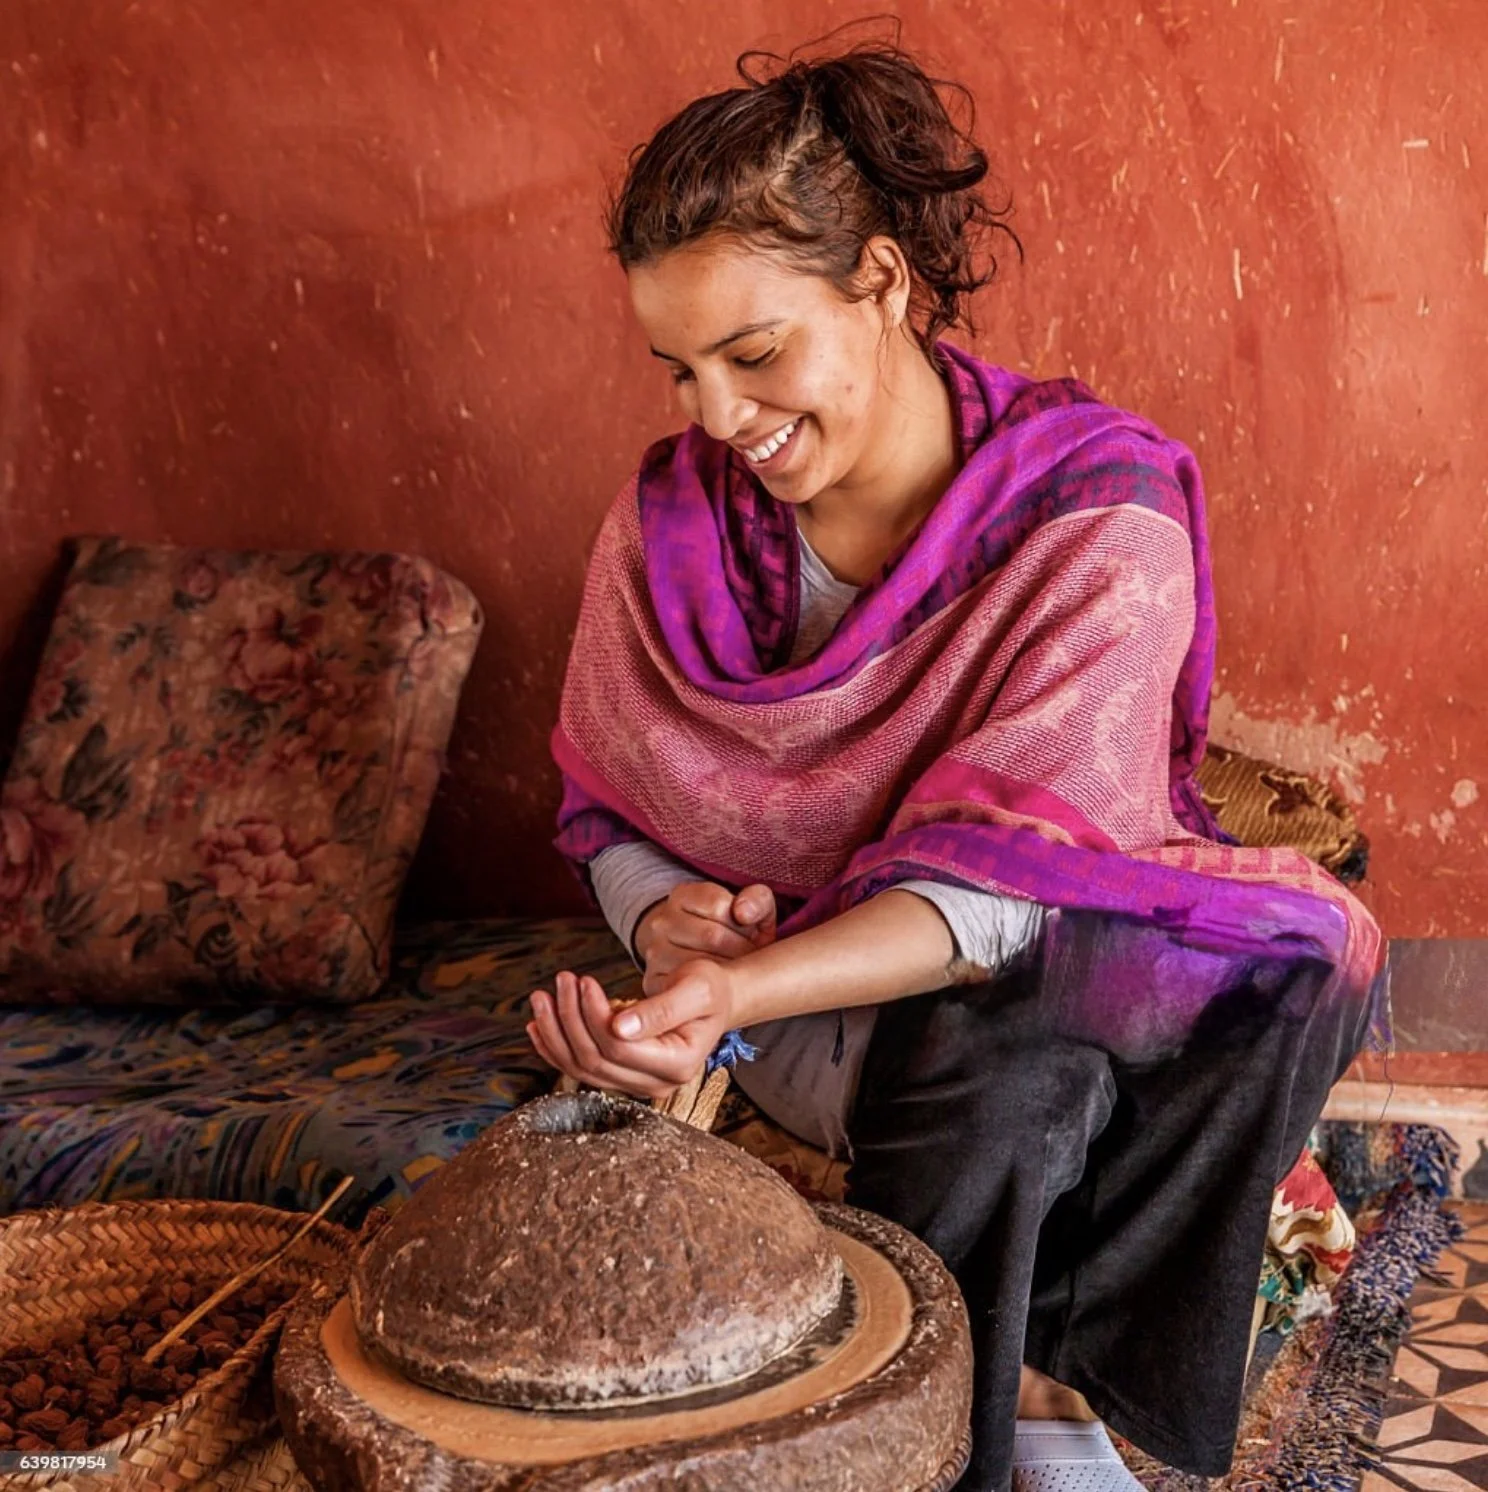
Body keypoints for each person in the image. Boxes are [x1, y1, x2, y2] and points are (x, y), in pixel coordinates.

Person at [528, 40, 1384, 1492]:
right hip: (818, 1026)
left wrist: (729, 985)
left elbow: (1014, 898)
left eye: (754, 354)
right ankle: (1042, 1422)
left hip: (935, 978)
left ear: (879, 280)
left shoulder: (1094, 509)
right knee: (1020, 1062)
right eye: (677, 370)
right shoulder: (669, 527)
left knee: (1215, 974)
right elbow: (609, 808)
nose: (718, 418)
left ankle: (956, 1435)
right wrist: (662, 922)